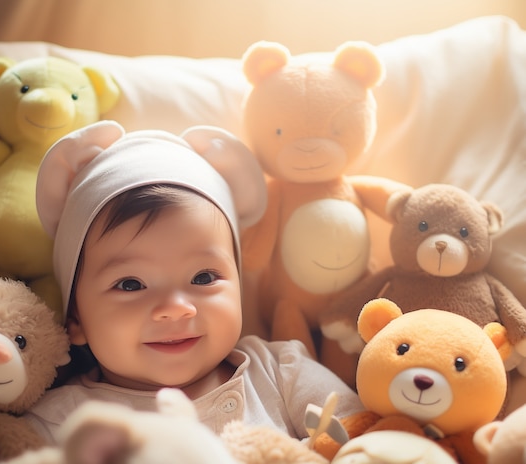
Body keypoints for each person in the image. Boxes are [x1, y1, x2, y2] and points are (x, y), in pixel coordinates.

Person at [23, 120, 366, 443]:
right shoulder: (59, 424)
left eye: (203, 278)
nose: (174, 309)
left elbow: (365, 445)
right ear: (77, 319)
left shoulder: (281, 372)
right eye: (130, 285)